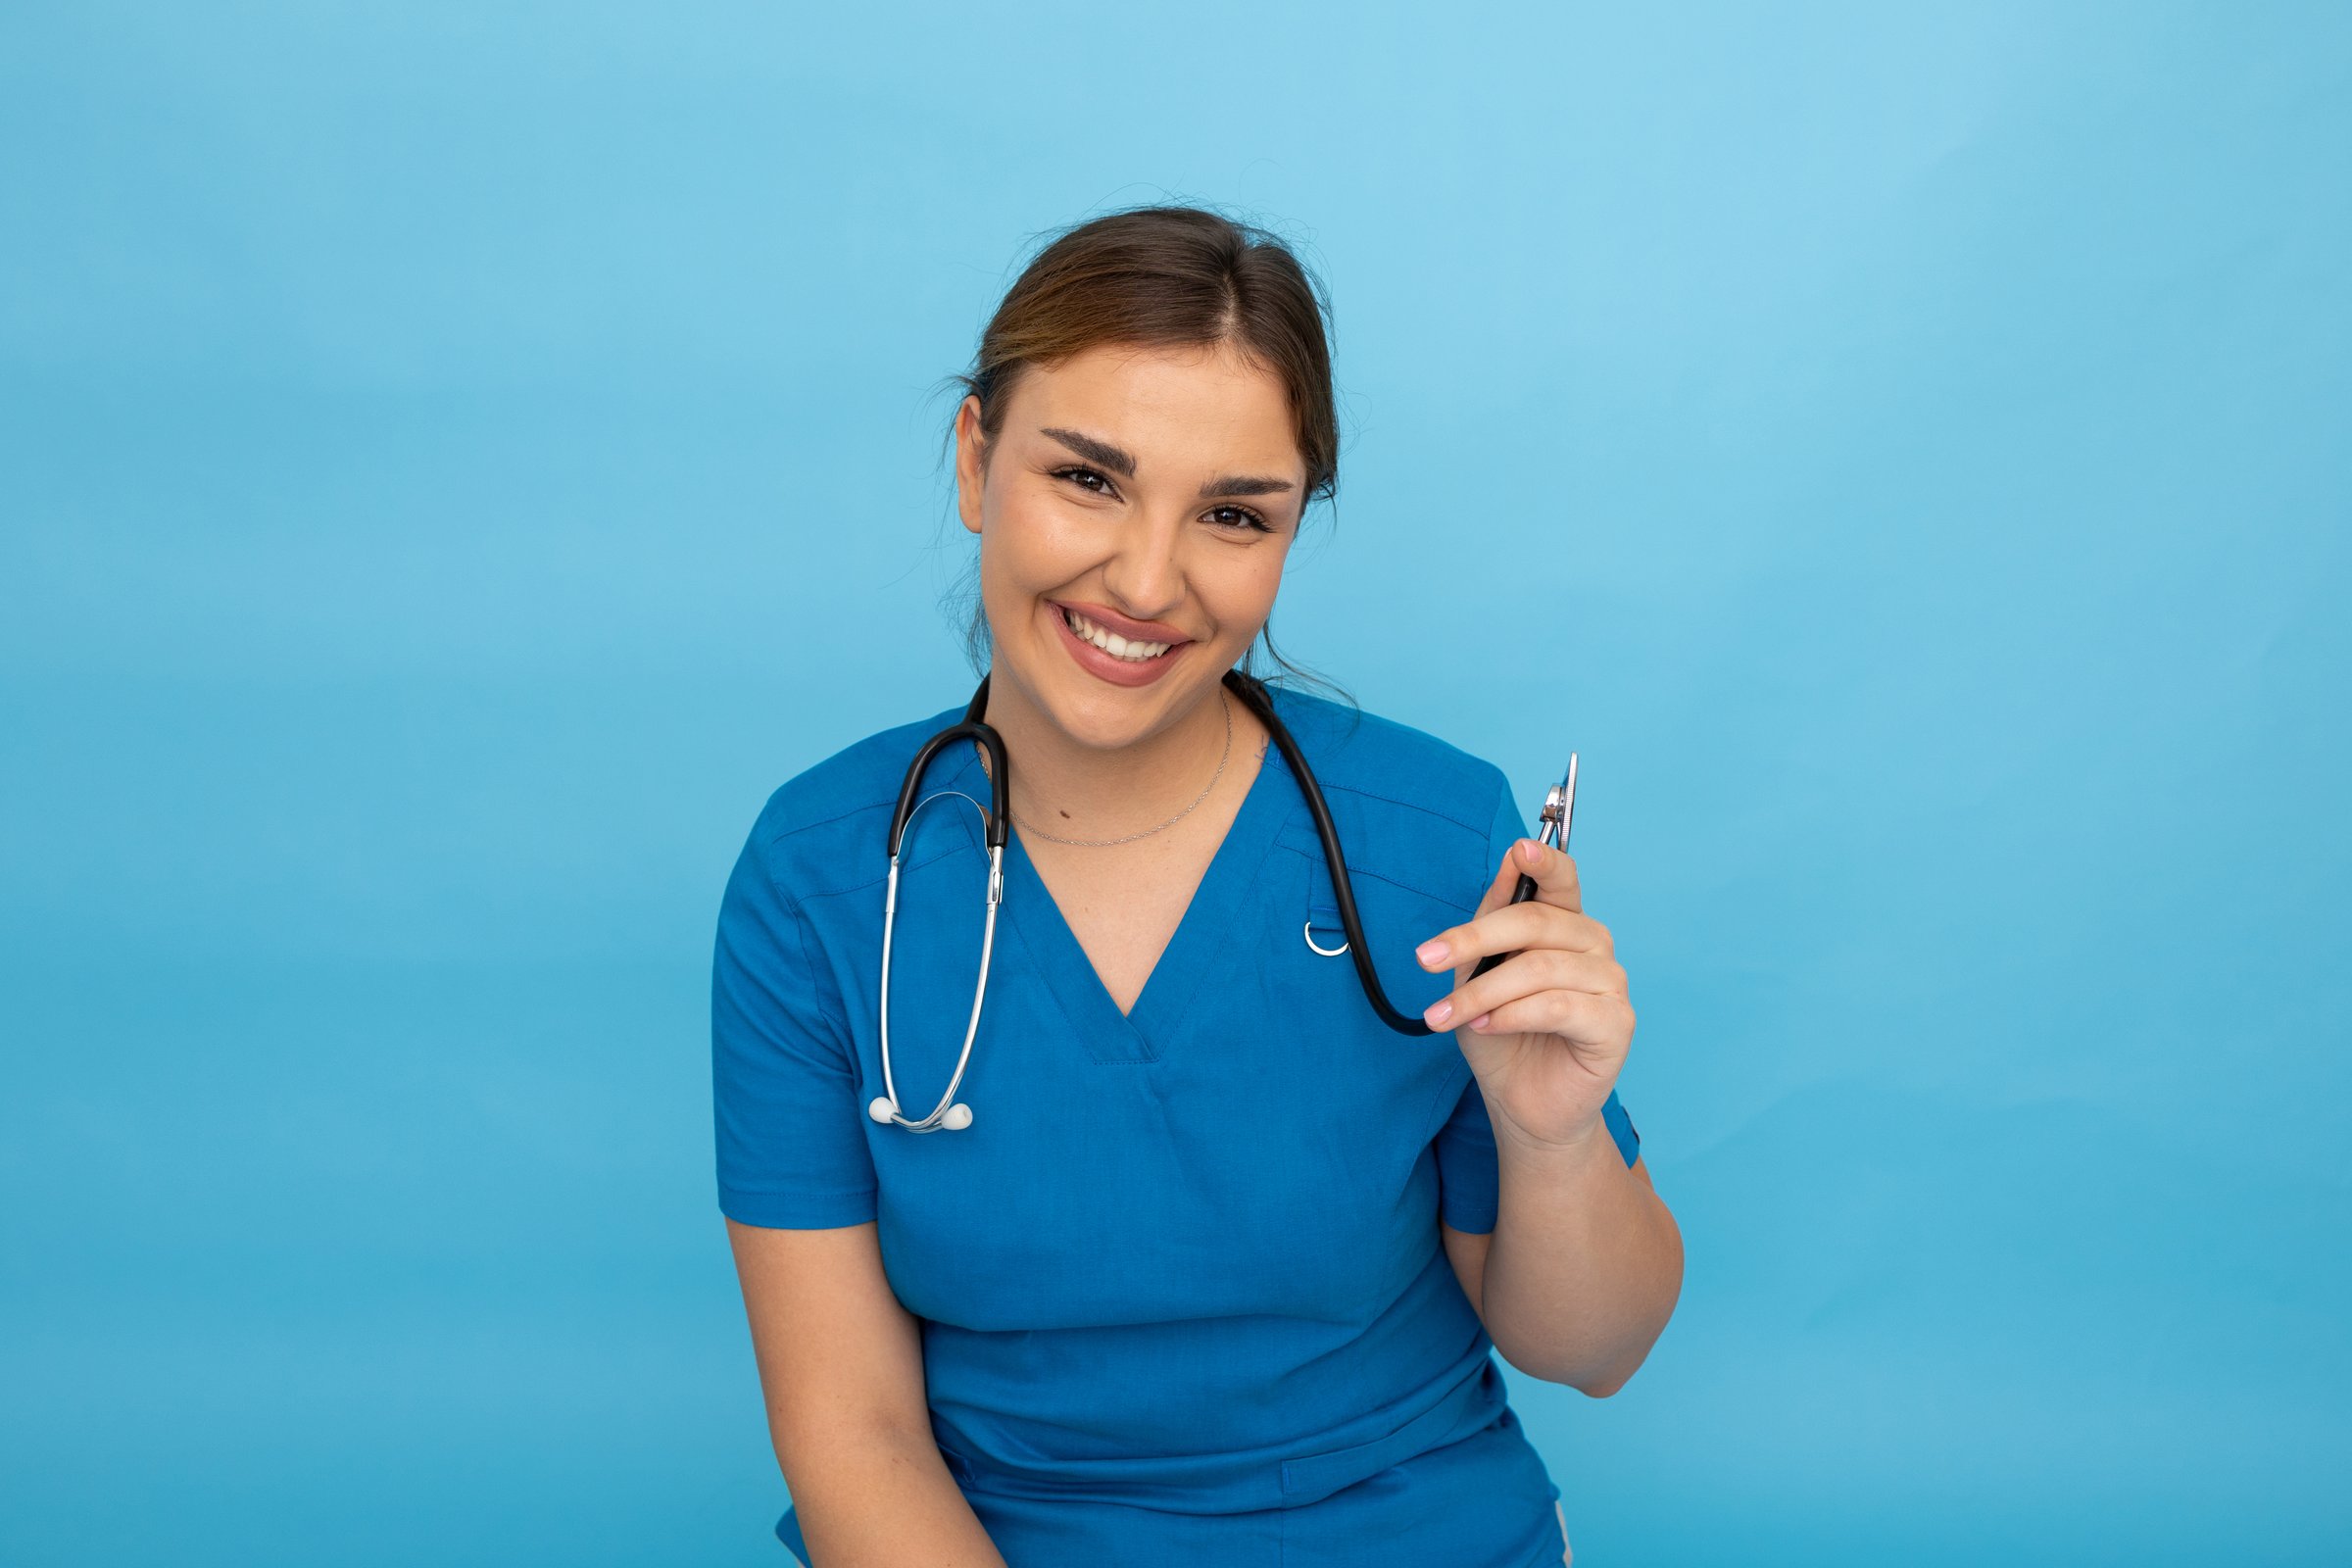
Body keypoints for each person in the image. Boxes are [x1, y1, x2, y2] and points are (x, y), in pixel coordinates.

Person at [711, 204, 1684, 1568]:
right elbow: (852, 1436)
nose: (1149, 580)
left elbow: (1595, 1352)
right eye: (1089, 480)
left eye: (1231, 513)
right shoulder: (819, 881)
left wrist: (1554, 1139)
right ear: (975, 460)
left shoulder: (1427, 838)